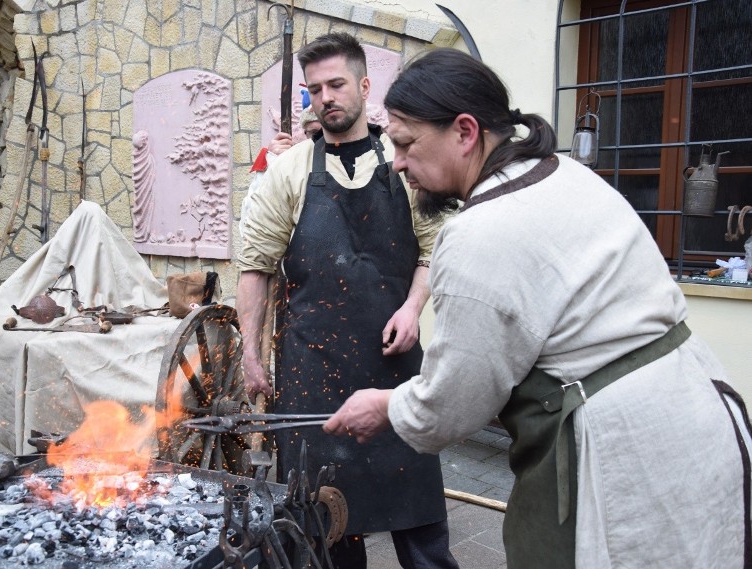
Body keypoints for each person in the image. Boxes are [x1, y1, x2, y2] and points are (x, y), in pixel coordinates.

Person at [324, 48, 752, 568]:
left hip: (624, 450)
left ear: (465, 131)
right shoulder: (563, 174)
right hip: (701, 409)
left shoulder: (479, 232)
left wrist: (386, 405)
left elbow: (454, 402)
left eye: (407, 143)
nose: (397, 162)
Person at [237, 33, 459, 569]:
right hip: (311, 372)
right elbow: (255, 266)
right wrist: (249, 352)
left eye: (336, 84)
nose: (325, 97)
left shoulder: (405, 164)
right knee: (325, 529)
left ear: (363, 86)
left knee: (421, 525)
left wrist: (411, 309)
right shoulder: (287, 173)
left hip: (394, 367)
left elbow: (434, 250)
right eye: (314, 90)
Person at [239, 106, 320, 237]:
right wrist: (273, 163)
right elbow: (250, 227)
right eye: (316, 133)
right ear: (306, 133)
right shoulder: (290, 165)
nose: (323, 139)